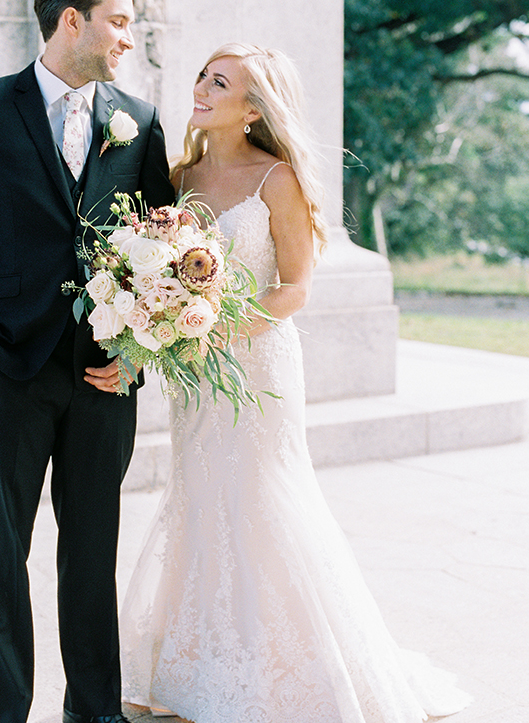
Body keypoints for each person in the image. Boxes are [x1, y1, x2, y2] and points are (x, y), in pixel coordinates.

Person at [119, 43, 473, 722]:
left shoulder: (276, 179)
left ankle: (285, 665)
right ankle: (202, 659)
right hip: (196, 371)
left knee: (260, 497)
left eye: (219, 82)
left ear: (253, 109)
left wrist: (220, 328)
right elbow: (161, 263)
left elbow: (296, 289)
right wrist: (167, 319)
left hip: (258, 364)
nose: (200, 88)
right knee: (199, 497)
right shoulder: (179, 174)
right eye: (202, 75)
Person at [0, 0, 174, 723]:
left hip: (104, 377)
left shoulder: (141, 120)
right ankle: (8, 714)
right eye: (119, 21)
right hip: (8, 373)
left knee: (91, 559)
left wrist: (139, 354)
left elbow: (165, 241)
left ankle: (93, 714)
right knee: (3, 557)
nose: (129, 37)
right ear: (73, 21)